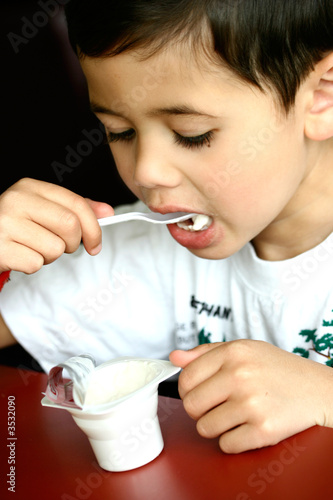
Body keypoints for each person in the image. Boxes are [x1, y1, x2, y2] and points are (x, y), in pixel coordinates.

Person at [1, 0, 333, 454]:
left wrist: (324, 398)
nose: (146, 172)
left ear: (321, 95)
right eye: (119, 131)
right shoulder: (149, 246)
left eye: (191, 133)